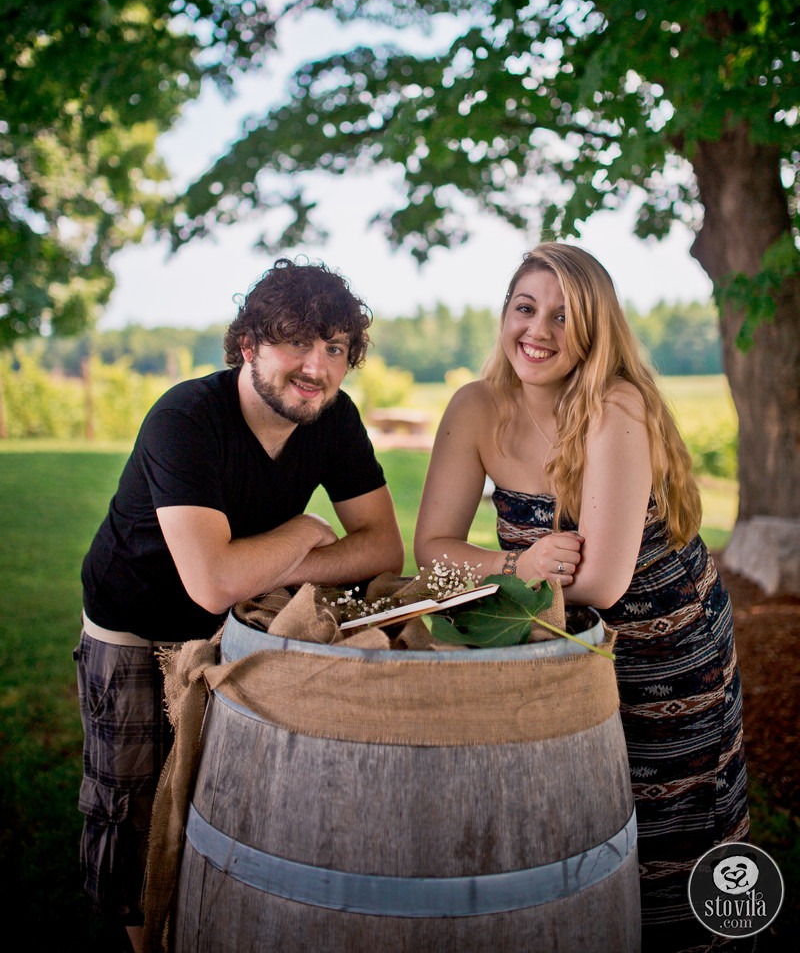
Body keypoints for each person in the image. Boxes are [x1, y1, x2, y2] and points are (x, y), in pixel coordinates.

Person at [414, 241, 749, 952]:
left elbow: (600, 583)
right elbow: (432, 552)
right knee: (586, 828)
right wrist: (520, 560)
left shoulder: (614, 406)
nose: (538, 332)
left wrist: (498, 572)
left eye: (564, 318)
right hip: (560, 647)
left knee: (675, 836)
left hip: (664, 650)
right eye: (525, 308)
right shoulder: (475, 407)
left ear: (595, 332)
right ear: (504, 314)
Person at [75, 258, 404, 953]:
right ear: (249, 345)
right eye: (297, 340)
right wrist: (304, 532)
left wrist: (285, 560)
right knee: (131, 815)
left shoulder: (333, 420)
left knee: (215, 794)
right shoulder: (187, 417)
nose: (316, 365)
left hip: (232, 632)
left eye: (336, 348)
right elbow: (212, 579)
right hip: (134, 627)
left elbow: (384, 550)